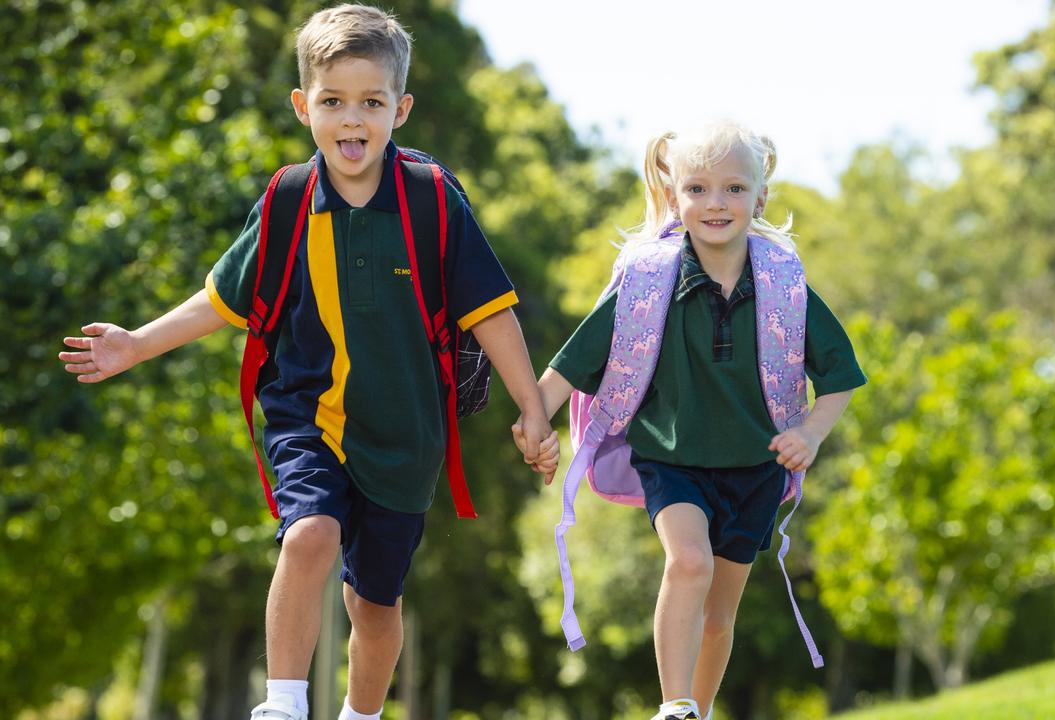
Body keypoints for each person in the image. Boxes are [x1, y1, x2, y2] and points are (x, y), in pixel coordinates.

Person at [58, 5, 554, 719]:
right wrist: (136, 343)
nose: (351, 121)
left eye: (371, 103)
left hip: (405, 440)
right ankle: (283, 705)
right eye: (332, 102)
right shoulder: (289, 199)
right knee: (309, 533)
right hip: (307, 415)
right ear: (303, 106)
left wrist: (532, 407)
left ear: (401, 109)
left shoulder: (431, 200)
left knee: (374, 606)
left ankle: (361, 713)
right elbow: (226, 300)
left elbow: (491, 311)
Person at [515, 121, 867, 720]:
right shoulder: (647, 281)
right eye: (698, 188)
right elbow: (574, 361)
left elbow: (840, 378)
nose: (716, 203)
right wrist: (534, 419)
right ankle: (673, 705)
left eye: (734, 189)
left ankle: (697, 712)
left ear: (760, 197)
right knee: (689, 563)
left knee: (720, 614)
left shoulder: (784, 284)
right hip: (670, 458)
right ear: (675, 195)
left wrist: (808, 433)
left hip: (756, 467)